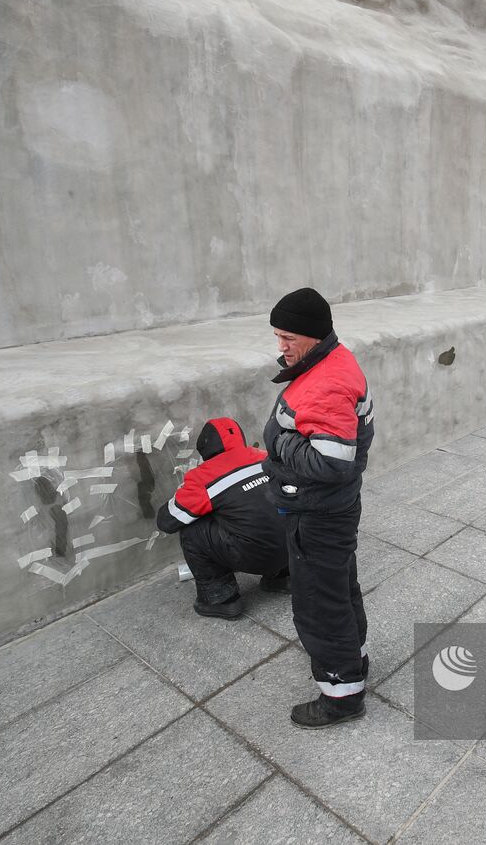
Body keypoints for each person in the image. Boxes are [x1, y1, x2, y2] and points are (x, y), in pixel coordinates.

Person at [263, 287, 375, 728]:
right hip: (331, 508)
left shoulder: (328, 381)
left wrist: (283, 441)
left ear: (313, 335)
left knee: (317, 603)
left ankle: (341, 694)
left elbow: (332, 461)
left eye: (288, 337)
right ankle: (354, 660)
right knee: (339, 588)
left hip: (318, 511)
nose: (281, 346)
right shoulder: (333, 360)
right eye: (277, 336)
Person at [154, 417, 288, 620]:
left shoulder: (203, 477)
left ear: (205, 447)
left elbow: (167, 521)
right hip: (296, 547)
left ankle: (220, 598)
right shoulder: (265, 456)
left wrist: (185, 492)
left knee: (191, 527)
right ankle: (285, 576)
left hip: (257, 555)